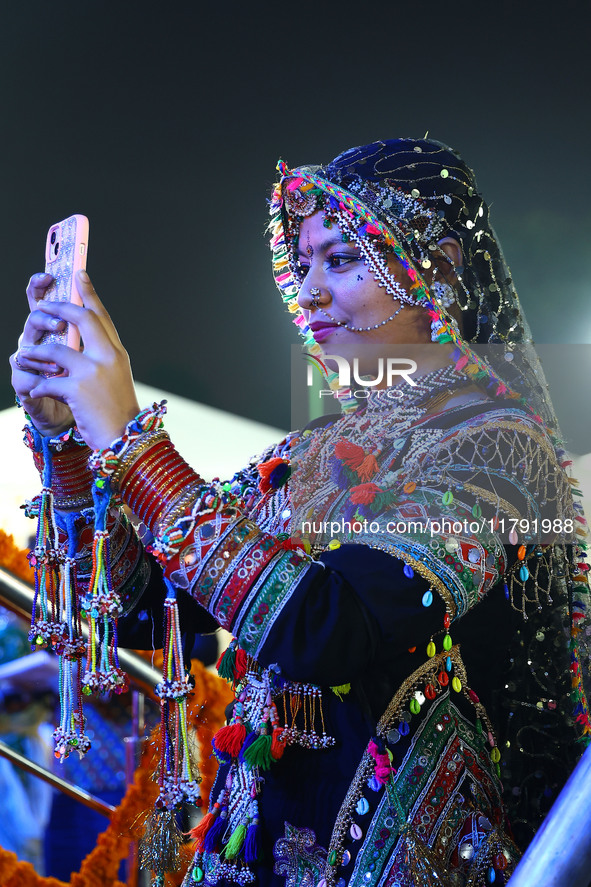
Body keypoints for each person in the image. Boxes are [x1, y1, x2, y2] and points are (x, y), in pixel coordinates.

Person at [10, 138, 591, 887]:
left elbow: (323, 626)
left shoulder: (498, 446)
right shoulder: (309, 449)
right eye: (305, 261)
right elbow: (137, 608)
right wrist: (67, 440)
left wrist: (130, 437)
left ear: (437, 265)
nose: (309, 290)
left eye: (343, 258)